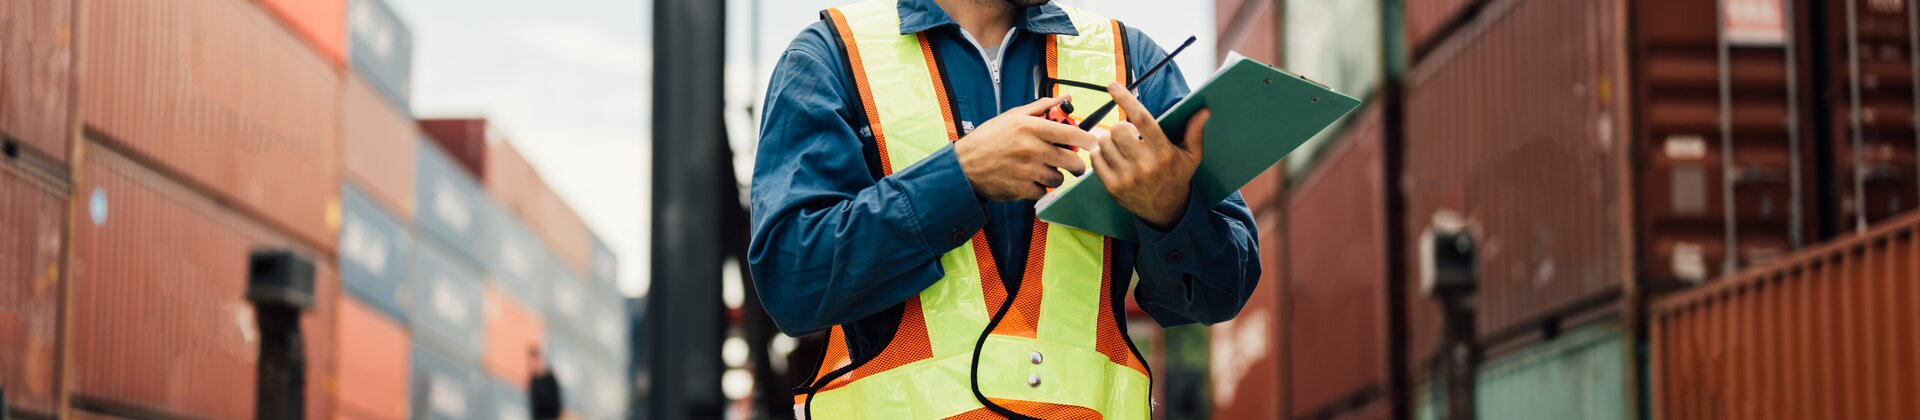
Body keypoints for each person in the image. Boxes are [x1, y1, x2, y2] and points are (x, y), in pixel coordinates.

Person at [749, 0, 1260, 418]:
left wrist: (1168, 211)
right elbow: (793, 283)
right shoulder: (832, 58)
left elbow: (1221, 291)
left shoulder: (1128, 60)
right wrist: (961, 177)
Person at [527, 346, 563, 420]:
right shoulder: (533, 381)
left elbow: (556, 403)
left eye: (537, 361)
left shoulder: (550, 379)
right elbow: (534, 406)